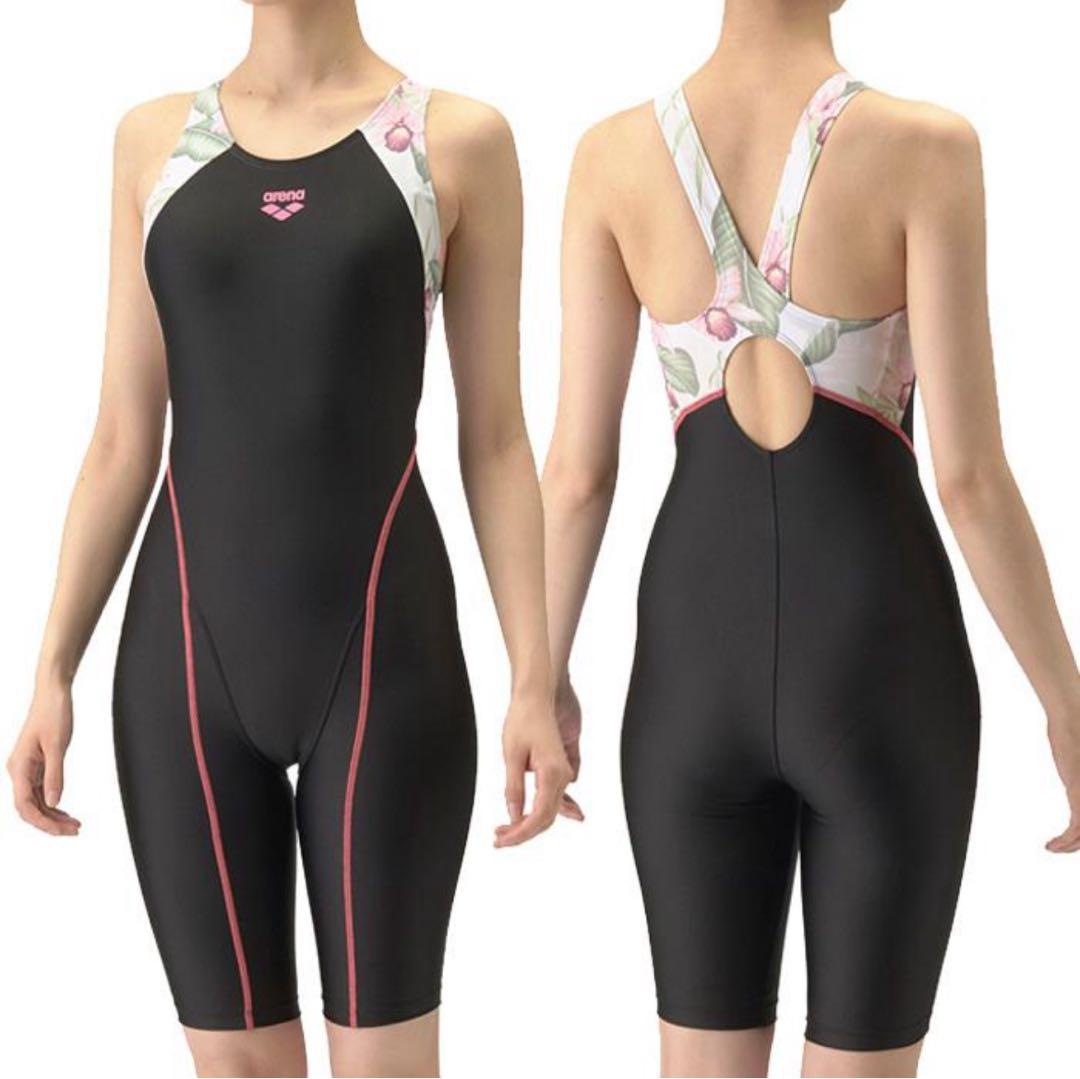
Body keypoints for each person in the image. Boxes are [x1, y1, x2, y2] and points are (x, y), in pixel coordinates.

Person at [6, 1, 578, 1075]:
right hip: (183, 663)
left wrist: (534, 677)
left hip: (386, 655)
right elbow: (123, 434)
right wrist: (50, 669)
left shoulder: (453, 139)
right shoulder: (155, 142)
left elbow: (498, 440)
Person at [540, 1, 1079, 1076]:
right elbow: (969, 478)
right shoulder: (926, 148)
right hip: (881, 668)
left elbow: (578, 473)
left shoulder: (612, 158)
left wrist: (537, 677)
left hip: (691, 671)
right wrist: (1067, 702)